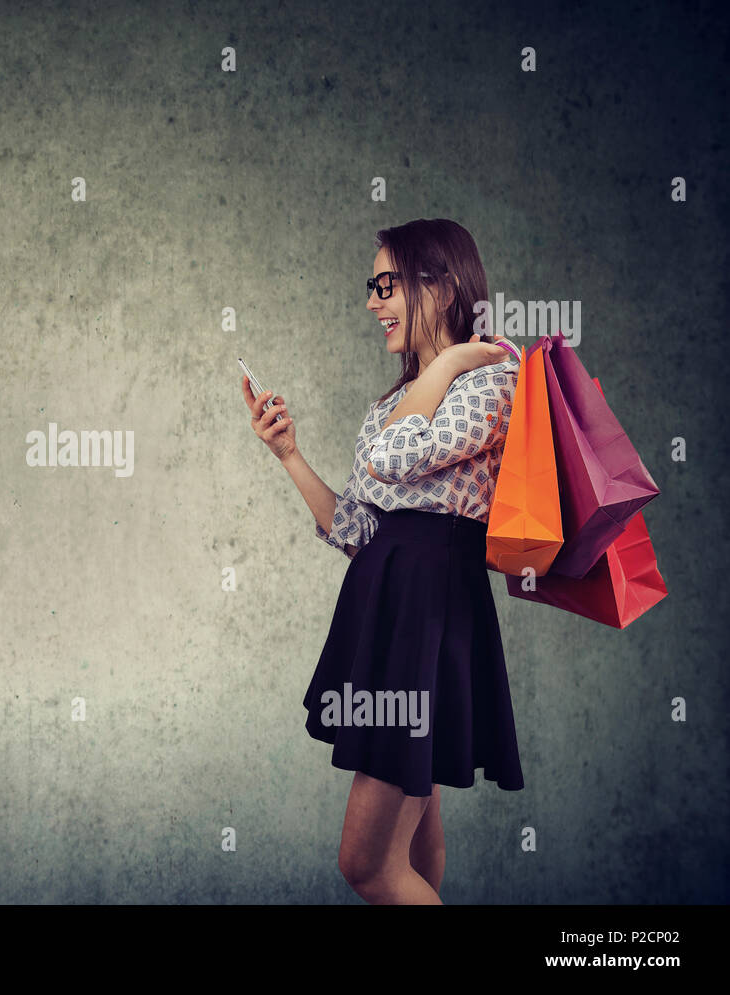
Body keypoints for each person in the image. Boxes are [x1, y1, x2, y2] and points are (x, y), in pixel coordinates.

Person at [242, 218, 523, 904]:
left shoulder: (489, 378)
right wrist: (287, 454)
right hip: (387, 606)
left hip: (429, 612)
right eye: (373, 287)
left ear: (442, 285)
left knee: (367, 864)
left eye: (387, 284)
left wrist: (452, 360)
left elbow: (395, 456)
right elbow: (359, 528)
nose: (372, 301)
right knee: (413, 855)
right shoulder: (394, 403)